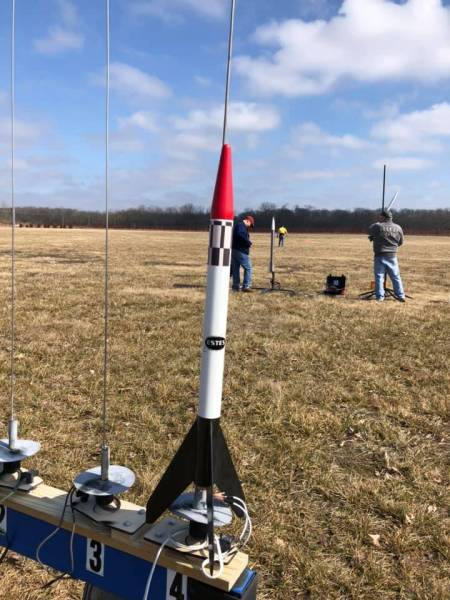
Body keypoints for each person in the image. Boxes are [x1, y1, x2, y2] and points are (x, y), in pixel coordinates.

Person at [368, 209, 405, 301]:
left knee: (379, 276)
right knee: (395, 276)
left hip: (379, 255)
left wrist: (376, 223)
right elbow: (401, 242)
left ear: (383, 217)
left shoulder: (378, 226)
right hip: (392, 255)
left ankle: (380, 297)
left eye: (380, 216)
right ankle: (400, 295)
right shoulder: (398, 227)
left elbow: (369, 230)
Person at [231, 215, 254, 292]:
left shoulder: (239, 225)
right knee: (248, 268)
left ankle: (235, 286)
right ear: (248, 221)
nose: (250, 227)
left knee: (235, 269)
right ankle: (246, 286)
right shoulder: (241, 225)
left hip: (235, 250)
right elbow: (240, 234)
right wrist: (248, 242)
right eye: (250, 225)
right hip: (241, 250)